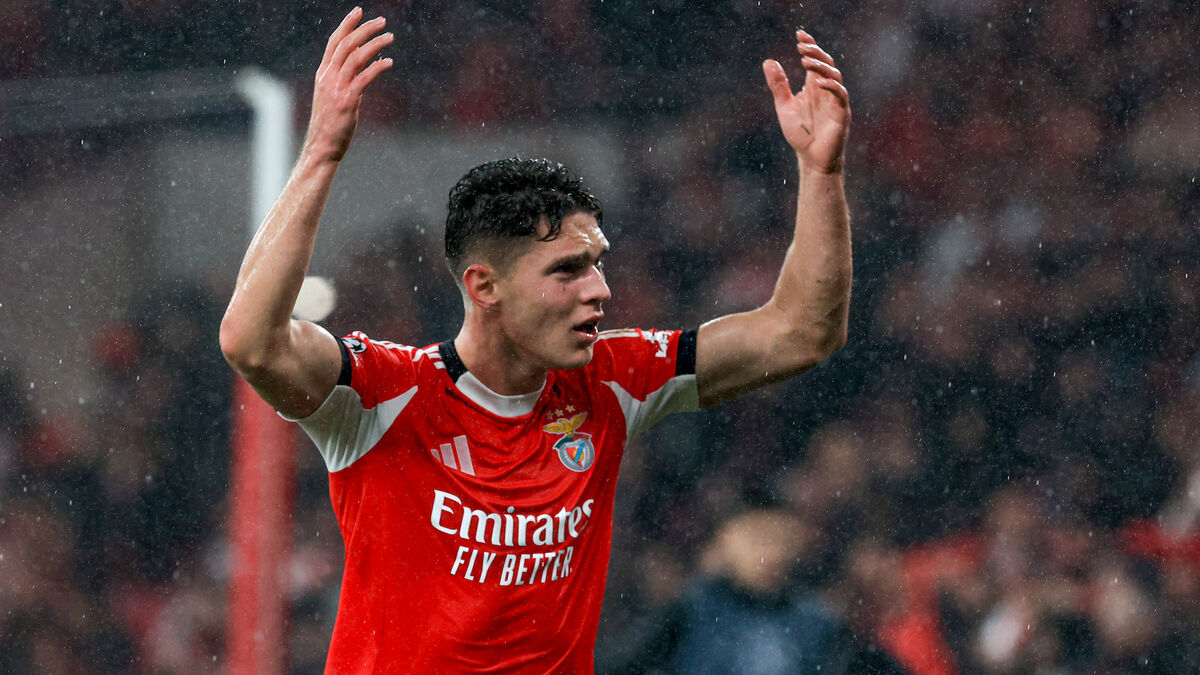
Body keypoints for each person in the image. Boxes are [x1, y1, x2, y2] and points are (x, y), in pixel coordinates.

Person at [219, 6, 851, 672]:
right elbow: (250, 341)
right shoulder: (381, 393)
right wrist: (321, 151)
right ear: (485, 286)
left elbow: (802, 332)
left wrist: (821, 173)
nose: (600, 289)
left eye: (598, 262)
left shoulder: (614, 377)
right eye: (568, 270)